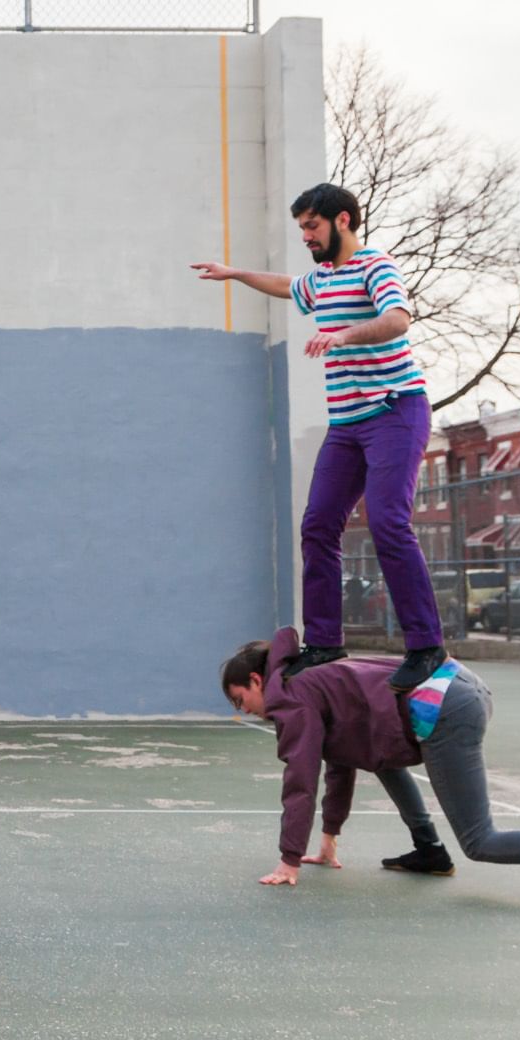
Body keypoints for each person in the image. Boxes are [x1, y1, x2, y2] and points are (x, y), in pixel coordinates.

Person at [193, 183, 446, 692]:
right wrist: (234, 273)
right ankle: (325, 642)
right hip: (347, 423)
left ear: (342, 220)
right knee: (318, 525)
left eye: (312, 226)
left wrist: (343, 334)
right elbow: (288, 285)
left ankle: (426, 646)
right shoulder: (323, 278)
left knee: (388, 522)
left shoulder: (376, 266)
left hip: (395, 409)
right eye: (302, 228)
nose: (306, 236)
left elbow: (397, 319)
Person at [220, 629, 520, 910]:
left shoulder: (290, 696)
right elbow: (342, 761)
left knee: (479, 840)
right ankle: (429, 850)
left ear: (256, 680)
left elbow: (301, 780)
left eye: (240, 701)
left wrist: (289, 859)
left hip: (443, 705)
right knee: (380, 759)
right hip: (456, 683)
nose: (246, 711)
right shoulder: (306, 676)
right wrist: (329, 838)